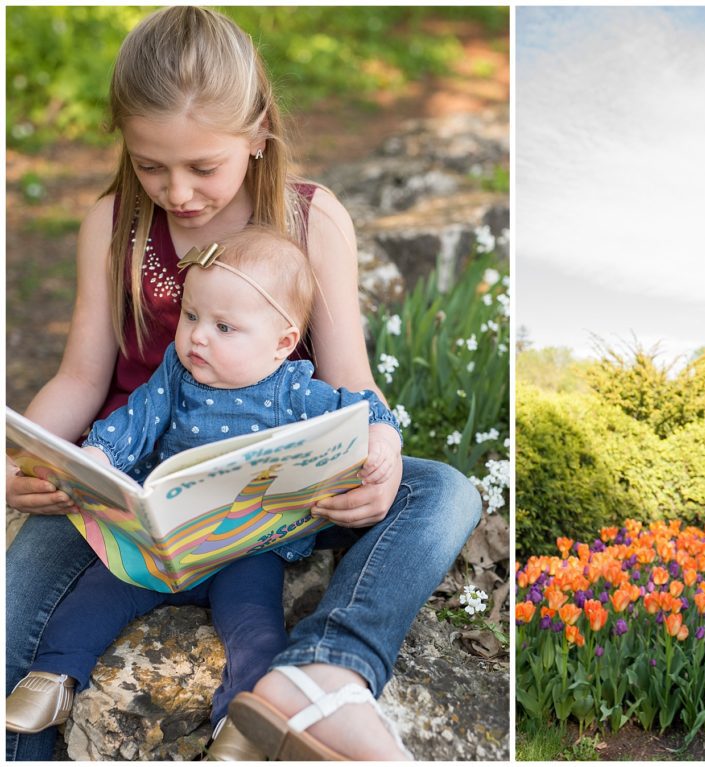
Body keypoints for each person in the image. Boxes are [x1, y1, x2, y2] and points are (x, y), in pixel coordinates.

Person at [6, 7, 481, 762]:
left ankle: (321, 669)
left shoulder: (310, 218)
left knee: (446, 492)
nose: (176, 191)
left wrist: (382, 443)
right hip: (133, 491)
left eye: (203, 167)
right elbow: (80, 375)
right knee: (10, 627)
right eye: (150, 165)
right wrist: (29, 458)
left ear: (257, 133)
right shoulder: (115, 223)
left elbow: (349, 379)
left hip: (279, 498)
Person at [6, 229, 406, 760]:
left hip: (244, 551)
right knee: (96, 596)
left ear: (282, 342)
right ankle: (54, 676)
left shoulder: (295, 390)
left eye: (224, 327)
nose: (198, 338)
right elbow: (134, 423)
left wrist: (381, 437)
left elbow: (361, 406)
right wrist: (96, 463)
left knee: (255, 629)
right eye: (191, 317)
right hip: (166, 543)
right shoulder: (176, 374)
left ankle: (238, 722)